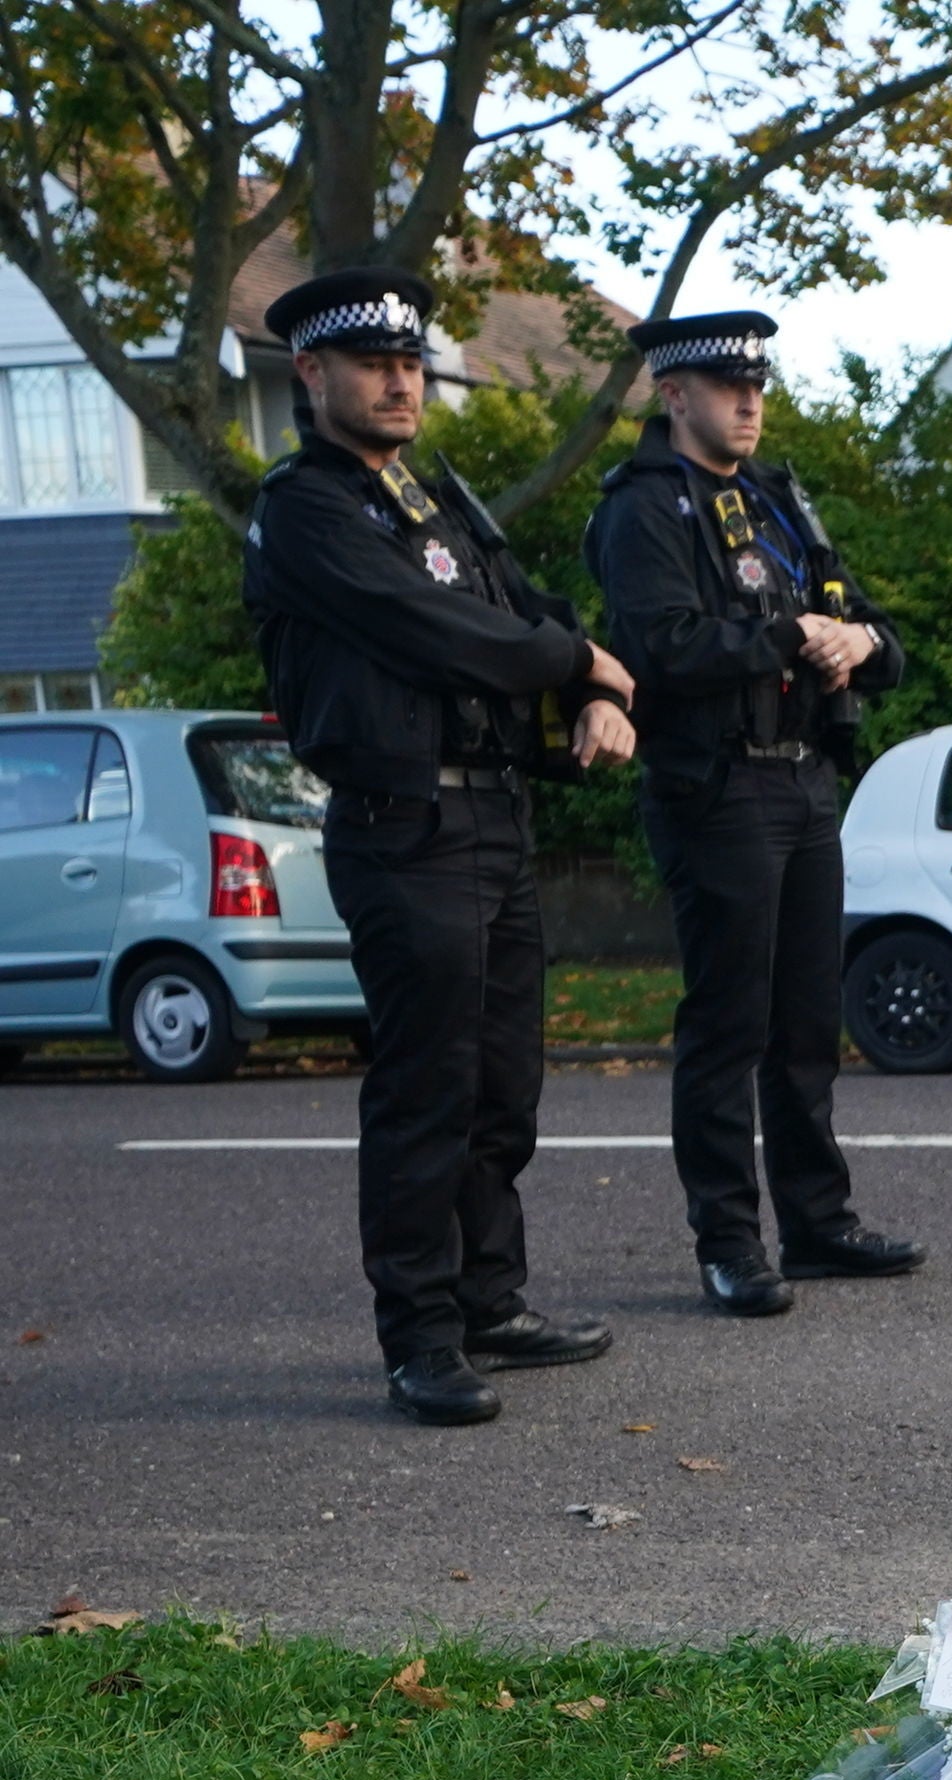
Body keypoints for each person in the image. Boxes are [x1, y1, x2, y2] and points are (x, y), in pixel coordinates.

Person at [243, 268, 636, 1425]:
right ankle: (418, 1334)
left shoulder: (431, 495)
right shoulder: (306, 508)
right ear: (312, 376)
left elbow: (524, 607)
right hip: (402, 827)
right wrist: (576, 665)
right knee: (429, 1091)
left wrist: (598, 692)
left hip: (493, 816)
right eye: (373, 364)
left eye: (411, 363)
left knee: (505, 1085)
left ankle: (486, 1301)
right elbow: (448, 632)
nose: (400, 379)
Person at [585, 313, 922, 1315]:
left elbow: (875, 630)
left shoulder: (777, 504)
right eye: (725, 385)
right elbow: (663, 648)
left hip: (803, 782)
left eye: (757, 385)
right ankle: (728, 1241)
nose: (748, 402)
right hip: (717, 788)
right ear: (670, 393)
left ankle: (817, 1223)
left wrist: (856, 646)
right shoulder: (644, 510)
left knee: (807, 1021)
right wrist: (791, 634)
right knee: (730, 1025)